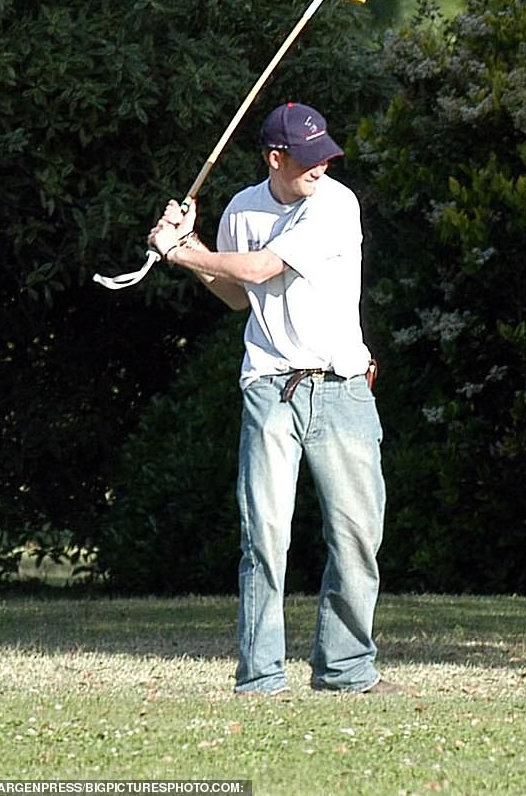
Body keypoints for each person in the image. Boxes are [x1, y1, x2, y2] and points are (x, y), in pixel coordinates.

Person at [148, 102, 401, 695]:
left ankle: (345, 669)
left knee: (357, 533)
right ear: (275, 158)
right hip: (270, 386)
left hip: (341, 387)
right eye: (308, 159)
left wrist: (180, 251)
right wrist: (189, 247)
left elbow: (261, 269)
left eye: (326, 156)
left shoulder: (336, 205)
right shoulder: (242, 207)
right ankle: (261, 677)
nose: (321, 167)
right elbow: (238, 295)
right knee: (263, 535)